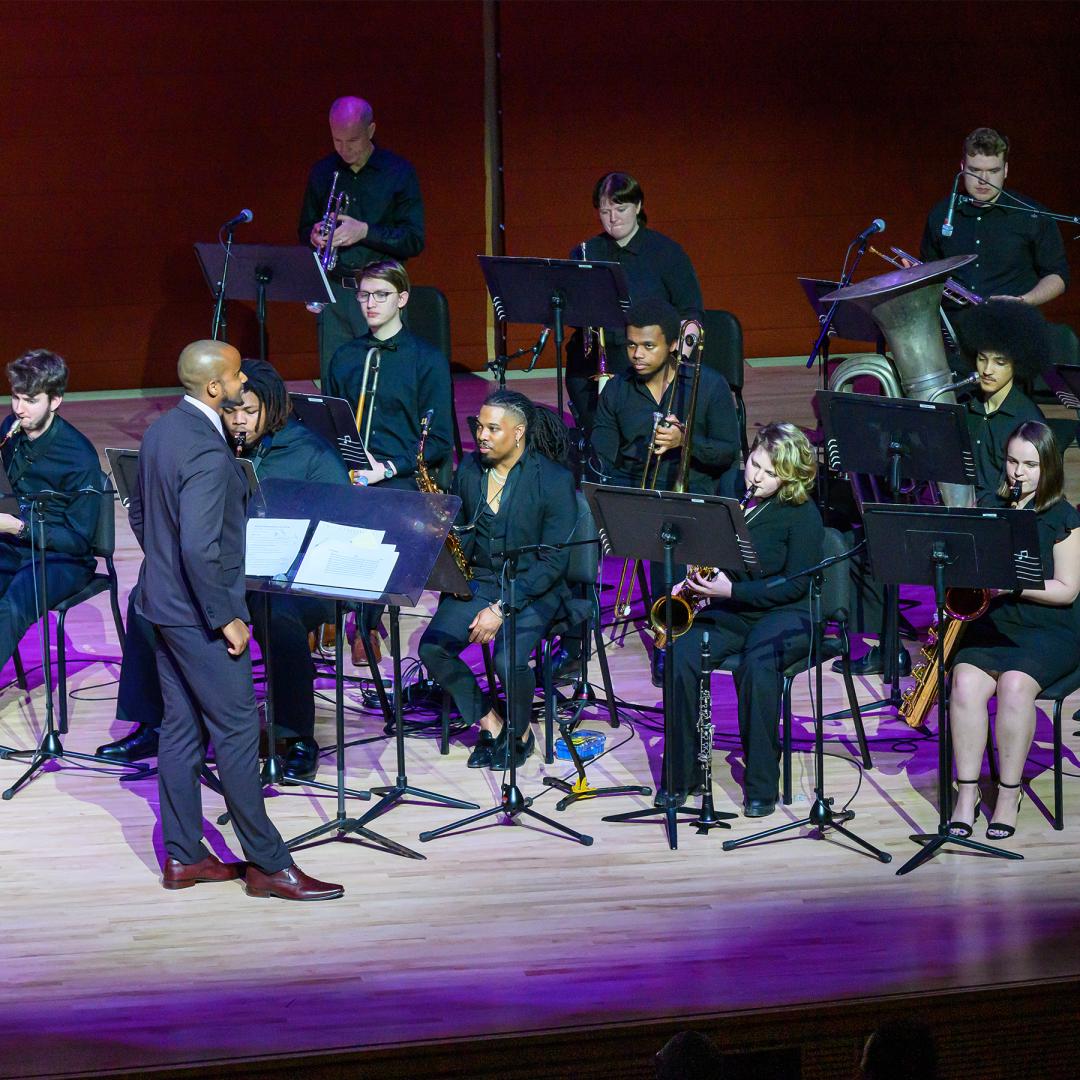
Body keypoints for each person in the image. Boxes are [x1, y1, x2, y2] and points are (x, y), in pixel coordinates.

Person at [130, 339, 342, 900]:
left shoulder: (162, 430)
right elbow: (200, 548)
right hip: (200, 617)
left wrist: (165, 576)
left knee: (181, 730)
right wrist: (225, 616)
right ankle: (269, 864)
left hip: (163, 605)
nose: (244, 381)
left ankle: (184, 855)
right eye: (236, 376)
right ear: (213, 388)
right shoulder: (206, 451)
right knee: (238, 731)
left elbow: (141, 514)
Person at [98, 359, 350, 782]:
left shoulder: (310, 453)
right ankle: (154, 723)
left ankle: (296, 736)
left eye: (249, 412)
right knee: (146, 598)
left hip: (289, 582)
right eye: (232, 411)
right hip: (226, 573)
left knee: (277, 618)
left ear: (273, 408)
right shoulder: (212, 443)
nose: (239, 421)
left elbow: (342, 522)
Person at [665, 423, 824, 816]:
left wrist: (731, 591)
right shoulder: (732, 491)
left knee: (758, 665)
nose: (757, 477)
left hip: (786, 613)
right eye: (755, 464)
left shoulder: (802, 514)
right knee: (682, 653)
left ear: (791, 477)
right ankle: (680, 776)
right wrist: (694, 582)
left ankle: (761, 784)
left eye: (770, 473)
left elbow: (795, 585)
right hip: (732, 608)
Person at [418, 390, 577, 771]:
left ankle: (521, 734)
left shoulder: (553, 480)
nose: (482, 436)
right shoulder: (471, 470)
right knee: (433, 648)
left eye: (493, 429)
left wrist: (502, 608)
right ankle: (491, 723)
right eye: (480, 427)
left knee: (508, 660)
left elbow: (554, 562)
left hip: (532, 587)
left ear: (518, 432)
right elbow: (461, 532)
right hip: (482, 580)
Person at [592, 297, 741, 683]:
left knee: (672, 533)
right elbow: (603, 454)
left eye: (648, 346)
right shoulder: (617, 391)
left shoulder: (708, 385)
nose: (637, 355)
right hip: (640, 494)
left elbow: (728, 450)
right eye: (631, 345)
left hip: (696, 495)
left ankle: (678, 637)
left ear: (673, 345)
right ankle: (658, 638)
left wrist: (685, 440)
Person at [948, 421, 1080, 841]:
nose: (1018, 472)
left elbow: (1067, 589)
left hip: (1050, 628)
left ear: (1049, 467)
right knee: (965, 683)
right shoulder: (991, 505)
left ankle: (1008, 793)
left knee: (1016, 685)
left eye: (1030, 465)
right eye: (1012, 461)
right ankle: (966, 793)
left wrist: (1014, 585)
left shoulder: (1064, 517)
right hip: (997, 623)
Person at [326, 258, 454, 654]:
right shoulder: (345, 357)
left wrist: (386, 468)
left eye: (380, 295)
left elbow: (438, 441)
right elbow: (331, 420)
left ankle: (364, 622)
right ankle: (324, 611)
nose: (370, 304)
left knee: (380, 515)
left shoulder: (426, 360)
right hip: (349, 465)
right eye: (364, 295)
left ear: (402, 298)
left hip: (400, 470)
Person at [299, 96, 425, 386]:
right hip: (334, 293)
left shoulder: (398, 172)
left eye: (353, 140)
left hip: (380, 292)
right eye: (337, 140)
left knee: (386, 383)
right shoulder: (322, 172)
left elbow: (414, 240)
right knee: (336, 383)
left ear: (371, 130)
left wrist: (365, 231)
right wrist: (314, 234)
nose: (344, 149)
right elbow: (304, 229)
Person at [567, 172, 704, 432]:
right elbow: (574, 314)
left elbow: (691, 314)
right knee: (600, 433)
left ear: (638, 207)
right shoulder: (586, 251)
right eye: (605, 211)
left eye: (621, 209)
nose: (613, 218)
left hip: (649, 361)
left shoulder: (667, 252)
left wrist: (676, 364)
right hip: (594, 365)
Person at [0, 350, 104, 674]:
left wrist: (18, 528)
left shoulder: (79, 457)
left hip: (64, 557)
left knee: (13, 606)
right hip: (18, 542)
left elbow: (79, 540)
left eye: (30, 400)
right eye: (16, 397)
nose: (19, 409)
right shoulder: (10, 430)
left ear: (55, 400)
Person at [920, 127, 1069, 307]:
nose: (983, 180)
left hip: (1013, 319)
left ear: (1005, 170)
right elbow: (929, 269)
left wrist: (1024, 301)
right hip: (953, 321)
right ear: (962, 168)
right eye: (975, 170)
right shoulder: (941, 213)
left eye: (993, 171)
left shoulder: (1033, 215)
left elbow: (1058, 275)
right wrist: (914, 275)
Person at [958, 298, 1048, 498]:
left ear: (1017, 364)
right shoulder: (963, 404)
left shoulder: (1028, 420)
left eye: (999, 362)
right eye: (982, 359)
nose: (987, 370)